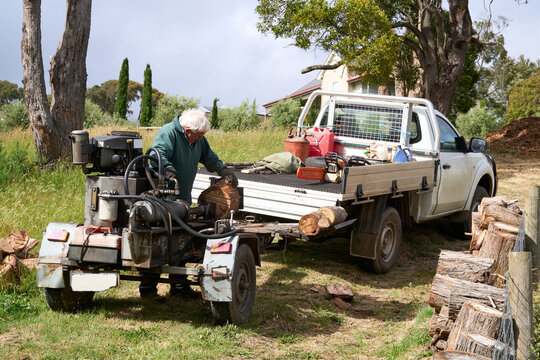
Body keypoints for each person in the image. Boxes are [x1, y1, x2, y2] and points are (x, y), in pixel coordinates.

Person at [139, 109, 237, 299]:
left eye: (203, 136)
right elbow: (157, 156)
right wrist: (167, 169)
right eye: (199, 135)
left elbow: (208, 156)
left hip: (183, 199)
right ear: (187, 130)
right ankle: (148, 289)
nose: (200, 138)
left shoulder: (198, 139)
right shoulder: (168, 133)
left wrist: (223, 171)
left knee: (181, 244)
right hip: (163, 200)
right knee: (158, 244)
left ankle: (178, 288)